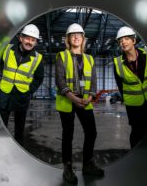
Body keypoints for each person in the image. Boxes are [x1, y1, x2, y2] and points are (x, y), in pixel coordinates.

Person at [55, 23, 104, 184]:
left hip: (85, 101)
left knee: (92, 132)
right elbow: (60, 80)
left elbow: (94, 81)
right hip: (68, 100)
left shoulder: (89, 58)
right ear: (68, 39)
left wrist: (90, 97)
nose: (76, 37)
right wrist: (73, 97)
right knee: (68, 134)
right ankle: (68, 168)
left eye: (79, 35)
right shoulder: (62, 56)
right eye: (73, 34)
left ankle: (87, 164)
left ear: (83, 38)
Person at [0, 24, 44, 145]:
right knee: (1, 125)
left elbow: (39, 78)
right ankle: (0, 147)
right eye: (27, 38)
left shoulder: (37, 58)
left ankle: (18, 150)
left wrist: (29, 91)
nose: (30, 42)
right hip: (4, 93)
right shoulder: (7, 49)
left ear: (36, 43)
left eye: (33, 40)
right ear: (21, 38)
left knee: (19, 128)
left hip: (22, 96)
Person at [113, 26, 147, 148]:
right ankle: (136, 157)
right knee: (137, 134)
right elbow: (120, 86)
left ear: (134, 41)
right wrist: (127, 99)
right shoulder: (117, 63)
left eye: (126, 39)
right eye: (120, 40)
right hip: (134, 106)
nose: (123, 42)